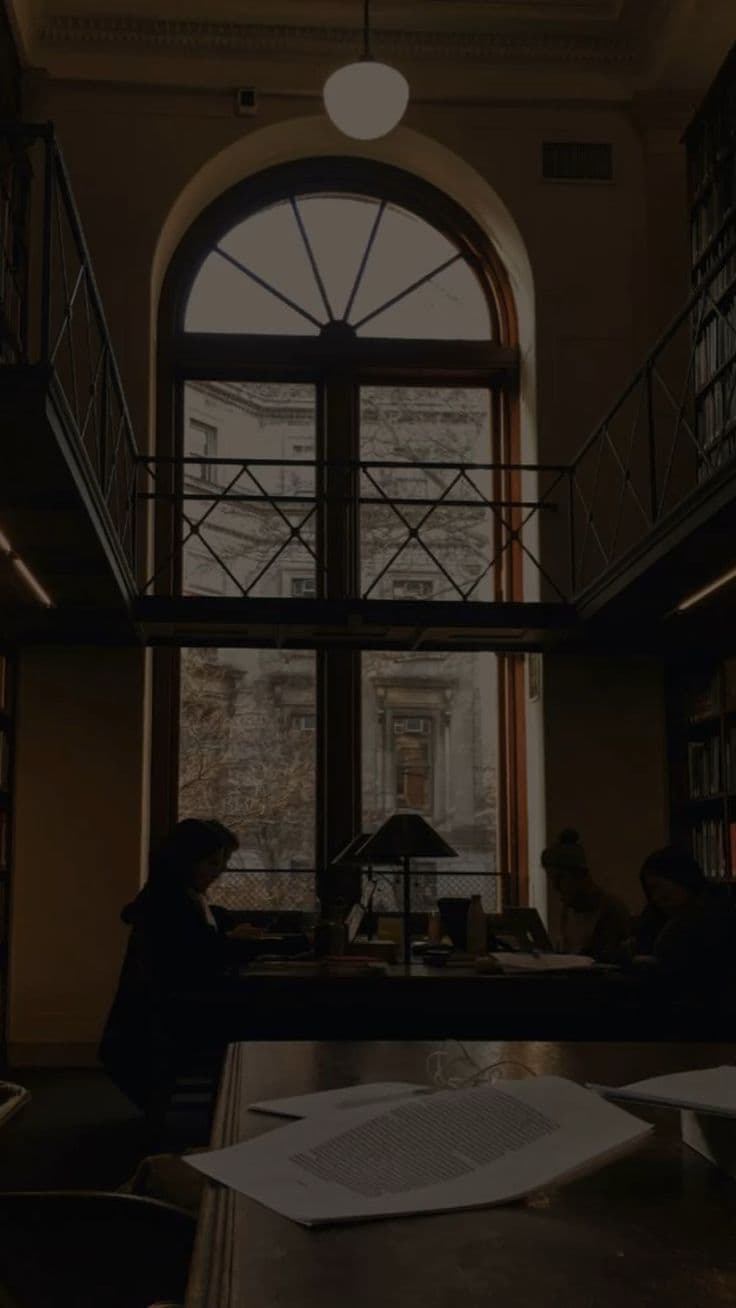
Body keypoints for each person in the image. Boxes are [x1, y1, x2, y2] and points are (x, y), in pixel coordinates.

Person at [99, 818, 259, 1111]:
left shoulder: (177, 896)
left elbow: (201, 936)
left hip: (162, 1010)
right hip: (171, 1014)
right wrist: (241, 943)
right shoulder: (170, 902)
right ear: (186, 861)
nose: (219, 872)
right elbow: (199, 955)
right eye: (213, 863)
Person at [630, 844, 736, 982]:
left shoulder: (716, 916)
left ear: (681, 879)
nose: (656, 897)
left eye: (658, 888)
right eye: (650, 892)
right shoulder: (654, 918)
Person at [541, 828, 631, 961]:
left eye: (560, 878)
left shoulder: (611, 909)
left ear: (580, 876)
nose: (555, 887)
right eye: (551, 879)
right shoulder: (569, 910)